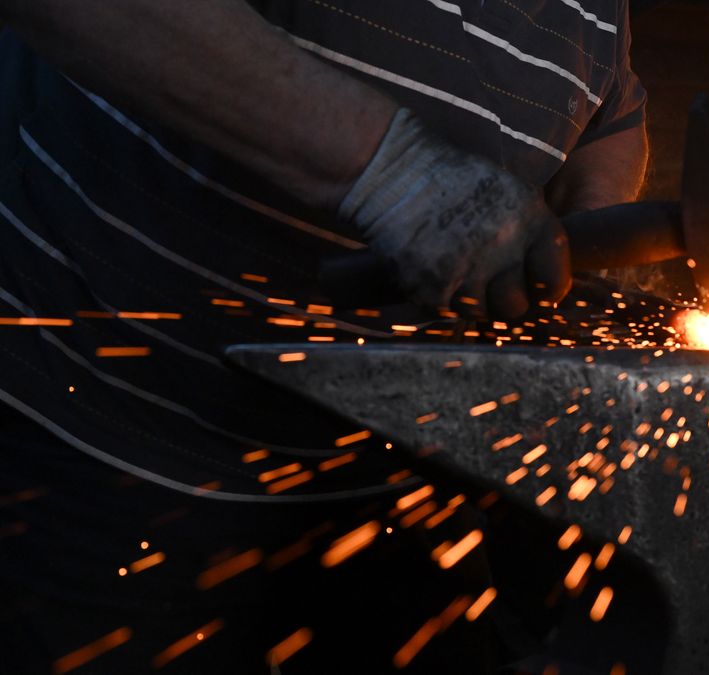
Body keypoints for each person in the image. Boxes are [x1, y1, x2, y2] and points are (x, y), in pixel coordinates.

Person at [0, 1, 647, 672]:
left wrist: (594, 222)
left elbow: (609, 112)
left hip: (401, 488)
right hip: (109, 452)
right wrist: (393, 172)